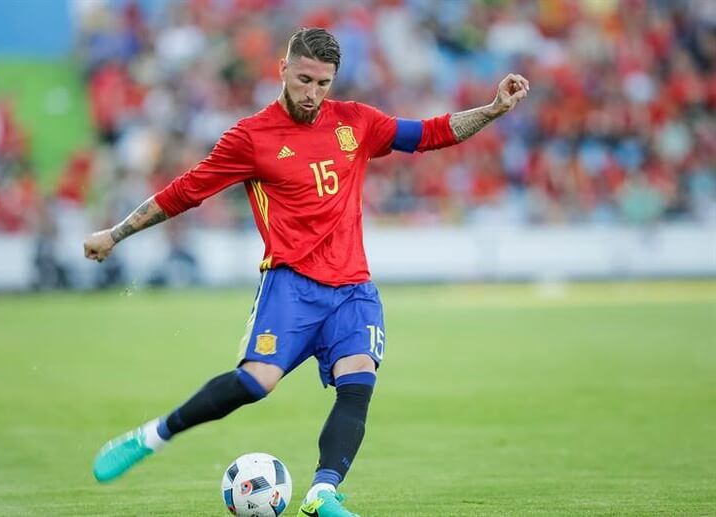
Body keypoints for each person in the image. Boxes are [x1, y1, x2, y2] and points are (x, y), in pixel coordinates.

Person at [83, 27, 528, 517]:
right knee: (257, 382)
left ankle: (322, 493)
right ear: (283, 70)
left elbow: (429, 133)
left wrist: (492, 110)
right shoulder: (251, 138)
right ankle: (153, 435)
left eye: (323, 83)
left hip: (353, 288)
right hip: (291, 285)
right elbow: (184, 192)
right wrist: (115, 234)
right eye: (304, 80)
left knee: (359, 379)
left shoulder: (356, 121)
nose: (312, 93)